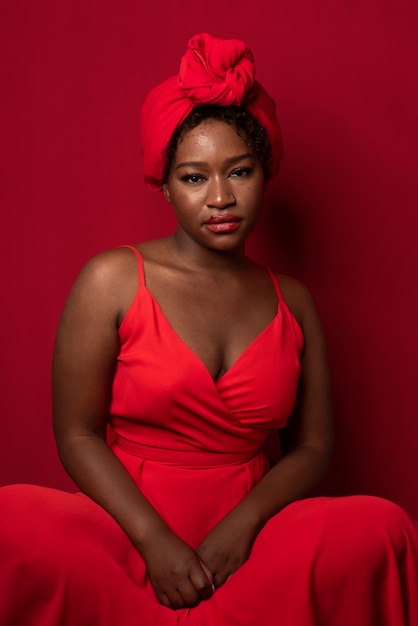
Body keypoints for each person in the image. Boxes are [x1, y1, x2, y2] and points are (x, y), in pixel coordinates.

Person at [0, 32, 417, 626]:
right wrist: (153, 541)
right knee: (8, 520)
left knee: (383, 528)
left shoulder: (292, 302)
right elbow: (76, 434)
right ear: (163, 184)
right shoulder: (113, 280)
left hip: (251, 532)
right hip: (126, 526)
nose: (220, 198)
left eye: (239, 172)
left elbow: (314, 447)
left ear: (264, 175)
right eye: (194, 178)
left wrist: (244, 525)